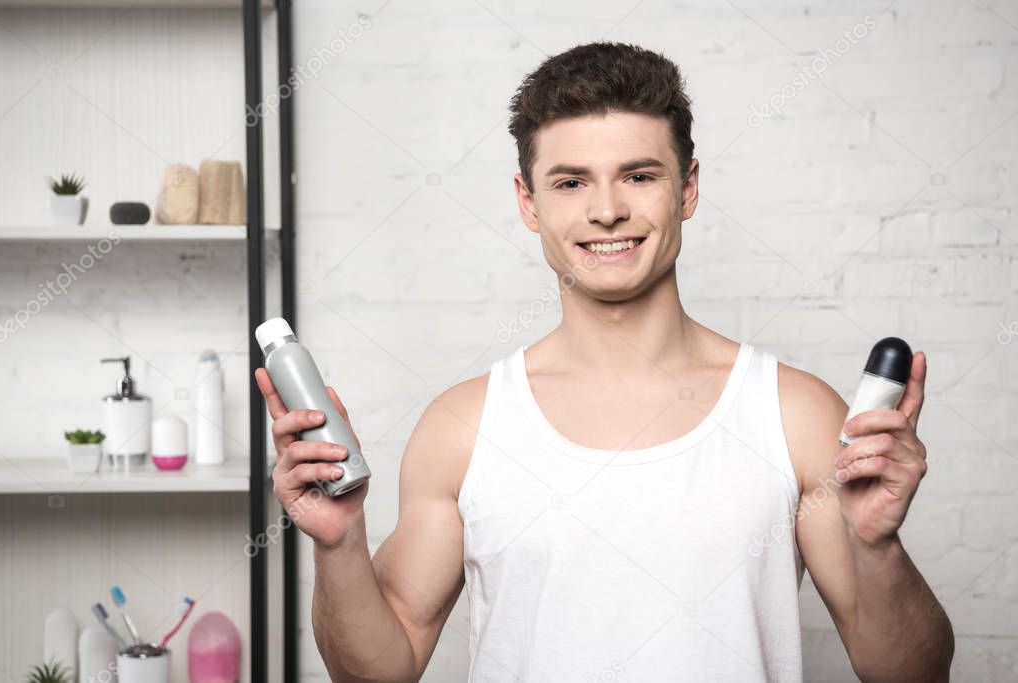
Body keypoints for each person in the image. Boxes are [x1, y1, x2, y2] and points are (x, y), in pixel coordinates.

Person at [255, 41, 954, 683]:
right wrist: (340, 545)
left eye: (639, 175)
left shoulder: (794, 413)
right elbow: (377, 668)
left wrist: (879, 546)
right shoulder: (462, 426)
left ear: (686, 188)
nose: (608, 210)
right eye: (570, 183)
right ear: (528, 202)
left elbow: (905, 672)